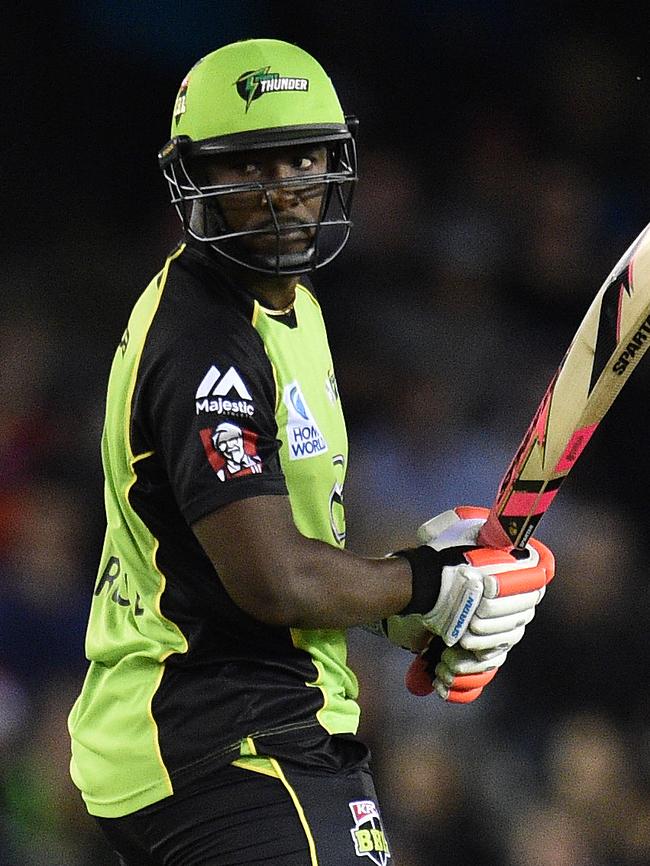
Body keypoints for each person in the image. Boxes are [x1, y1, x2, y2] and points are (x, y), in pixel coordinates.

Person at [68, 38, 555, 866]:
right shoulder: (203, 342)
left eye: (304, 159)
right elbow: (274, 577)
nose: (286, 191)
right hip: (230, 742)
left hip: (222, 734)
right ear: (194, 179)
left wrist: (404, 602)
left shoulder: (297, 311)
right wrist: (432, 586)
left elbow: (290, 547)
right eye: (250, 168)